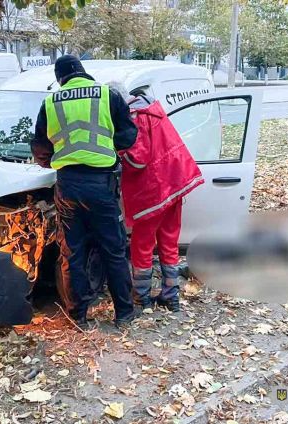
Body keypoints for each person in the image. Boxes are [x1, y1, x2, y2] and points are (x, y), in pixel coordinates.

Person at [31, 55, 139, 330]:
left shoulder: (50, 102)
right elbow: (128, 137)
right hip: (102, 184)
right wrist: (105, 149)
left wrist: (58, 159)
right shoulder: (108, 95)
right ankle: (124, 315)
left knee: (72, 253)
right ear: (82, 71)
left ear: (60, 79)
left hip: (68, 185)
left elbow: (41, 150)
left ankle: (77, 316)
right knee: (113, 251)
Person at [111, 83, 203, 311]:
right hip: (175, 182)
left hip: (153, 189)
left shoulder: (134, 117)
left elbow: (138, 159)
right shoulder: (153, 110)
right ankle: (171, 297)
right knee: (169, 242)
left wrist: (117, 152)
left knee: (142, 245)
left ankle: (141, 297)